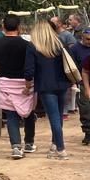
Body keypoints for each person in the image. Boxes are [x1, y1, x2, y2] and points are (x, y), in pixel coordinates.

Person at [25, 20, 73, 160]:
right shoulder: (59, 44)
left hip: (45, 86)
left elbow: (29, 70)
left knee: (54, 118)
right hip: (62, 83)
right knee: (58, 115)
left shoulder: (33, 46)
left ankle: (60, 148)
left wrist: (28, 85)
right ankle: (54, 144)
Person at [0, 15, 35, 159]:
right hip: (24, 83)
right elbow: (31, 65)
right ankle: (29, 143)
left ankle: (15, 146)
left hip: (5, 83)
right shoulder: (27, 45)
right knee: (28, 113)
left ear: (3, 27)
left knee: (11, 115)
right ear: (19, 28)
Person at [68, 27, 90, 144]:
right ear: (82, 38)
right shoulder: (75, 49)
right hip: (82, 82)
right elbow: (72, 67)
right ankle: (88, 132)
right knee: (85, 108)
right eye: (87, 39)